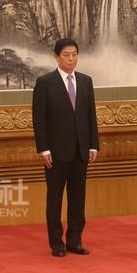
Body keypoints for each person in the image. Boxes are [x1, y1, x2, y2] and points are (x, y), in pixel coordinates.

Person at [32, 38, 99, 257]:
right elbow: (39, 119)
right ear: (57, 57)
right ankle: (56, 243)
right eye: (66, 55)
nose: (71, 59)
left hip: (81, 150)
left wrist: (93, 144)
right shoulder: (45, 83)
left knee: (77, 198)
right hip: (55, 152)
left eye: (74, 54)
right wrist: (43, 149)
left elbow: (90, 116)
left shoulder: (86, 81)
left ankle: (75, 240)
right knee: (55, 199)